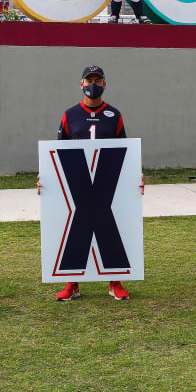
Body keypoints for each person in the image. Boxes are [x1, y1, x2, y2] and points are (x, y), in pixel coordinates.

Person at [45, 64, 142, 301]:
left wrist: (134, 177)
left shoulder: (114, 115)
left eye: (98, 80)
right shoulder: (69, 115)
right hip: (78, 180)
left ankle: (115, 282)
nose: (93, 84)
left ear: (105, 84)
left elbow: (124, 151)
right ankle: (72, 283)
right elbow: (59, 151)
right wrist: (48, 177)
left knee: (110, 228)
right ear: (81, 85)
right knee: (75, 229)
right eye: (89, 81)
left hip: (106, 181)